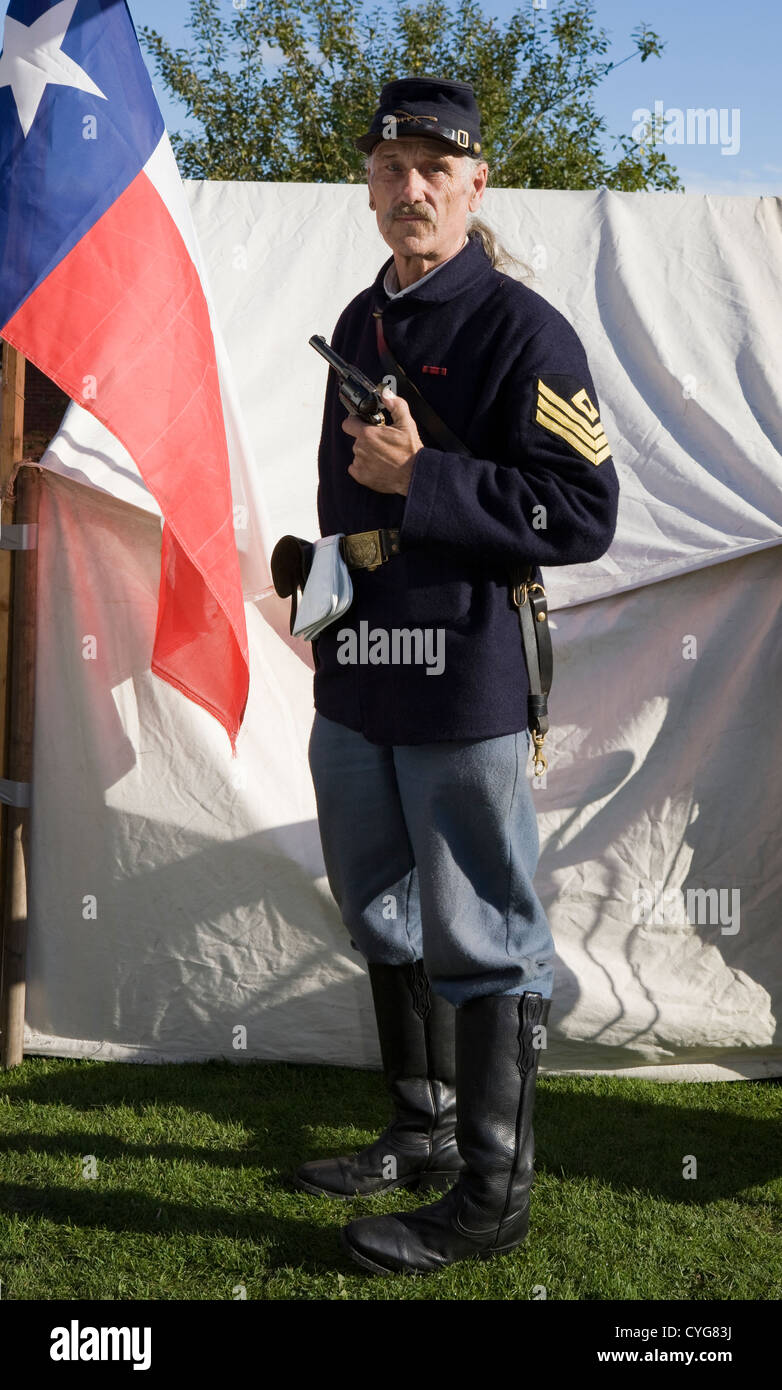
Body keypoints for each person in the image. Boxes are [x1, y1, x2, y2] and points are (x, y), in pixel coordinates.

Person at [295, 76, 619, 1275]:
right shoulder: (361, 313)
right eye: (391, 170)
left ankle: (490, 1196)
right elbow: (350, 489)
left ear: (475, 184)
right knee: (376, 904)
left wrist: (421, 482)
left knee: (483, 931)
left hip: (463, 669)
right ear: (368, 187)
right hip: (359, 665)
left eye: (437, 169)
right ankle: (423, 1129)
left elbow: (582, 511)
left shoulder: (521, 329)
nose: (411, 188)